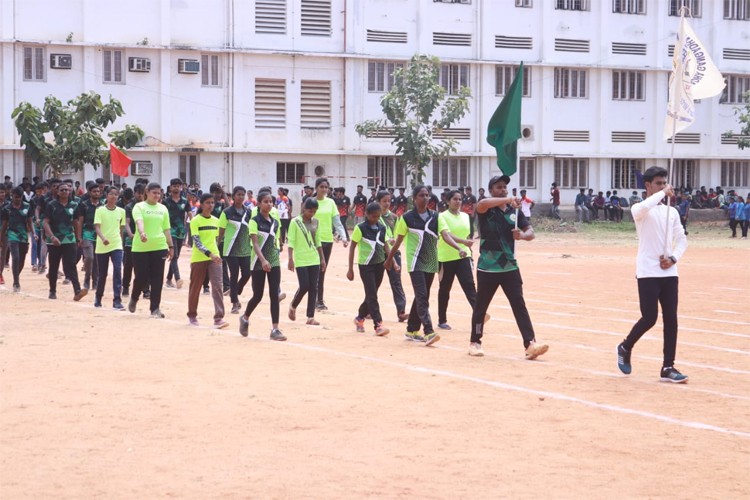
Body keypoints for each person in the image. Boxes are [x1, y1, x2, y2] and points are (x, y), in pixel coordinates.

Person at [616, 166, 689, 383]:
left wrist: (673, 258)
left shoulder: (672, 212)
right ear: (647, 185)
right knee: (649, 317)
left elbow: (682, 239)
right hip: (647, 271)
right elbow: (643, 208)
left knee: (671, 319)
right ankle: (625, 346)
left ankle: (668, 366)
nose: (664, 186)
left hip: (669, 272)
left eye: (665, 183)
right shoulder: (640, 209)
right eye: (658, 183)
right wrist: (662, 193)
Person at [468, 175, 548, 359]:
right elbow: (483, 204)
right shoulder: (485, 209)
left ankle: (530, 344)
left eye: (504, 187)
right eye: (498, 187)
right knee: (481, 307)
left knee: (519, 305)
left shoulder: (515, 212)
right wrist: (508, 199)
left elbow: (531, 232)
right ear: (491, 190)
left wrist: (522, 235)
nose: (503, 189)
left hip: (510, 266)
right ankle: (475, 342)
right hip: (488, 267)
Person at [384, 185, 440, 346]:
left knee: (423, 296)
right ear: (414, 198)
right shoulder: (407, 218)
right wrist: (389, 259)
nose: (426, 198)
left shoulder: (435, 217)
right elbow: (399, 240)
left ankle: (411, 329)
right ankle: (428, 331)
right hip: (415, 261)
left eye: (427, 195)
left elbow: (444, 235)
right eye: (422, 195)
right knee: (422, 296)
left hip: (431, 261)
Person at [239, 191, 286, 341]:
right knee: (258, 295)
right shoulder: (254, 221)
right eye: (266, 201)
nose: (269, 204)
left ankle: (275, 329)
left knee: (274, 294)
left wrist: (274, 256)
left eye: (271, 201)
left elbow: (274, 241)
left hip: (274, 260)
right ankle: (245, 317)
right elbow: (255, 243)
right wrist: (263, 260)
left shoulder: (275, 222)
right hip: (258, 262)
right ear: (258, 204)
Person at [128, 182, 174, 318]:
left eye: (159, 193)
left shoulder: (163, 209)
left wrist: (171, 246)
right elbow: (139, 221)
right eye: (154, 193)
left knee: (157, 278)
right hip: (140, 247)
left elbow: (166, 229)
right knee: (141, 277)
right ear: (146, 192)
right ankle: (134, 297)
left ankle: (155, 308)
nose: (157, 195)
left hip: (159, 246)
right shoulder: (139, 207)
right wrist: (142, 233)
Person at [437, 190, 479, 330]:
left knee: (469, 285)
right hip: (446, 257)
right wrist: (461, 244)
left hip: (464, 256)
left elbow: (468, 235)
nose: (458, 201)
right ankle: (442, 319)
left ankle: (479, 313)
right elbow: (446, 235)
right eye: (455, 199)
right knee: (445, 289)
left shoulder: (466, 216)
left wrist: (467, 249)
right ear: (448, 201)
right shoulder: (442, 216)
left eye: (460, 199)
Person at [348, 202, 392, 336]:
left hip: (380, 264)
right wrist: (350, 269)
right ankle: (378, 325)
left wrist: (392, 261)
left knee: (371, 294)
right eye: (373, 216)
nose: (376, 219)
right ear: (366, 214)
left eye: (378, 217)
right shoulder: (360, 228)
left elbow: (385, 245)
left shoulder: (382, 227)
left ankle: (360, 318)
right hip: (366, 266)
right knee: (372, 295)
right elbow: (352, 247)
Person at [187, 193, 228, 328]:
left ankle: (219, 318)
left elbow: (216, 240)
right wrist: (210, 254)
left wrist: (215, 254)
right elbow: (197, 242)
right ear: (202, 204)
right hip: (199, 258)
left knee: (217, 287)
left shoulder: (216, 221)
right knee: (195, 287)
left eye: (212, 203)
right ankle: (192, 315)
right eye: (208, 203)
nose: (211, 205)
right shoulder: (195, 220)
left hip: (214, 258)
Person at [42, 183, 87, 301]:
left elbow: (76, 222)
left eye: (67, 190)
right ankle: (52, 291)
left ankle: (77, 290)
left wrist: (78, 237)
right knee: (54, 266)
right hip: (54, 240)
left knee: (71, 265)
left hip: (69, 239)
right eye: (62, 190)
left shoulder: (74, 205)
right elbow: (45, 222)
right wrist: (51, 237)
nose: (65, 192)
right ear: (57, 192)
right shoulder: (51, 205)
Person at [287, 197, 326, 326]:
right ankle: (293, 305)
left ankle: (310, 317)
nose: (312, 214)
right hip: (301, 259)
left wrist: (322, 259)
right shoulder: (295, 222)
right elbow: (291, 241)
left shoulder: (316, 222)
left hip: (314, 258)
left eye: (314, 211)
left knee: (314, 288)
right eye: (310, 211)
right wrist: (290, 259)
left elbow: (318, 241)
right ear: (304, 208)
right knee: (304, 286)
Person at [312, 178, 349, 311]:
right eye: (321, 186)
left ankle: (319, 299)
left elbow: (337, 222)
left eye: (326, 187)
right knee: (314, 271)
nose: (324, 189)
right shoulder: (311, 202)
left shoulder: (331, 203)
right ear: (316, 188)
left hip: (327, 240)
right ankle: (315, 299)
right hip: (313, 242)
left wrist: (343, 236)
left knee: (322, 270)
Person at [219, 186, 252, 314]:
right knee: (234, 275)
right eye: (238, 194)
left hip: (245, 248)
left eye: (243, 195)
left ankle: (235, 291)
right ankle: (235, 302)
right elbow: (221, 230)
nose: (241, 197)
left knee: (247, 274)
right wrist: (218, 245)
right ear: (233, 196)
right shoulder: (227, 212)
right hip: (231, 248)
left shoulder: (249, 212)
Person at [93, 186, 126, 309]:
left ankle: (117, 299)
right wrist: (103, 238)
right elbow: (97, 227)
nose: (114, 196)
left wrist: (120, 242)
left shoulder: (121, 211)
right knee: (103, 273)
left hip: (116, 244)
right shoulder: (100, 210)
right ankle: (98, 296)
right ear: (106, 196)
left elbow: (121, 229)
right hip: (102, 245)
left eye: (116, 194)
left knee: (118, 270)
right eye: (111, 194)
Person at [377, 190, 408, 322]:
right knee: (374, 283)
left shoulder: (395, 218)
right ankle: (367, 309)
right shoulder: (374, 216)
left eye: (389, 201)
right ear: (378, 202)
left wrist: (393, 242)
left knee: (396, 282)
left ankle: (401, 311)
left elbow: (398, 234)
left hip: (394, 253)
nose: (387, 204)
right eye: (384, 201)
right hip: (378, 254)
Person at [0, 186, 33, 292]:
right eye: (15, 197)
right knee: (15, 257)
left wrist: (34, 233)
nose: (18, 199)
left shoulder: (27, 207)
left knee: (22, 259)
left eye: (19, 197)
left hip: (23, 235)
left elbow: (30, 221)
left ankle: (16, 275)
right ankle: (16, 282)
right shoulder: (7, 209)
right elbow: (5, 225)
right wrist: (1, 237)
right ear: (12, 196)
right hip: (12, 235)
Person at [163, 178, 191, 289]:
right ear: (170, 187)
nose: (176, 187)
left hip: (181, 231)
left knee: (176, 255)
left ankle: (169, 279)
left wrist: (193, 225)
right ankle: (177, 278)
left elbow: (189, 214)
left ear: (181, 187)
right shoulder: (166, 201)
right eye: (174, 185)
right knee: (173, 254)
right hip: (170, 230)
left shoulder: (184, 201)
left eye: (178, 185)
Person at [75, 182, 102, 290]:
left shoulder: (103, 205)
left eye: (98, 191)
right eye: (94, 191)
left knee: (97, 259)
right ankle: (87, 279)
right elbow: (80, 221)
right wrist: (79, 236)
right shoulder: (84, 205)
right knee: (89, 257)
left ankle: (95, 282)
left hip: (99, 234)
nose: (96, 193)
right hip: (87, 233)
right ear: (90, 192)